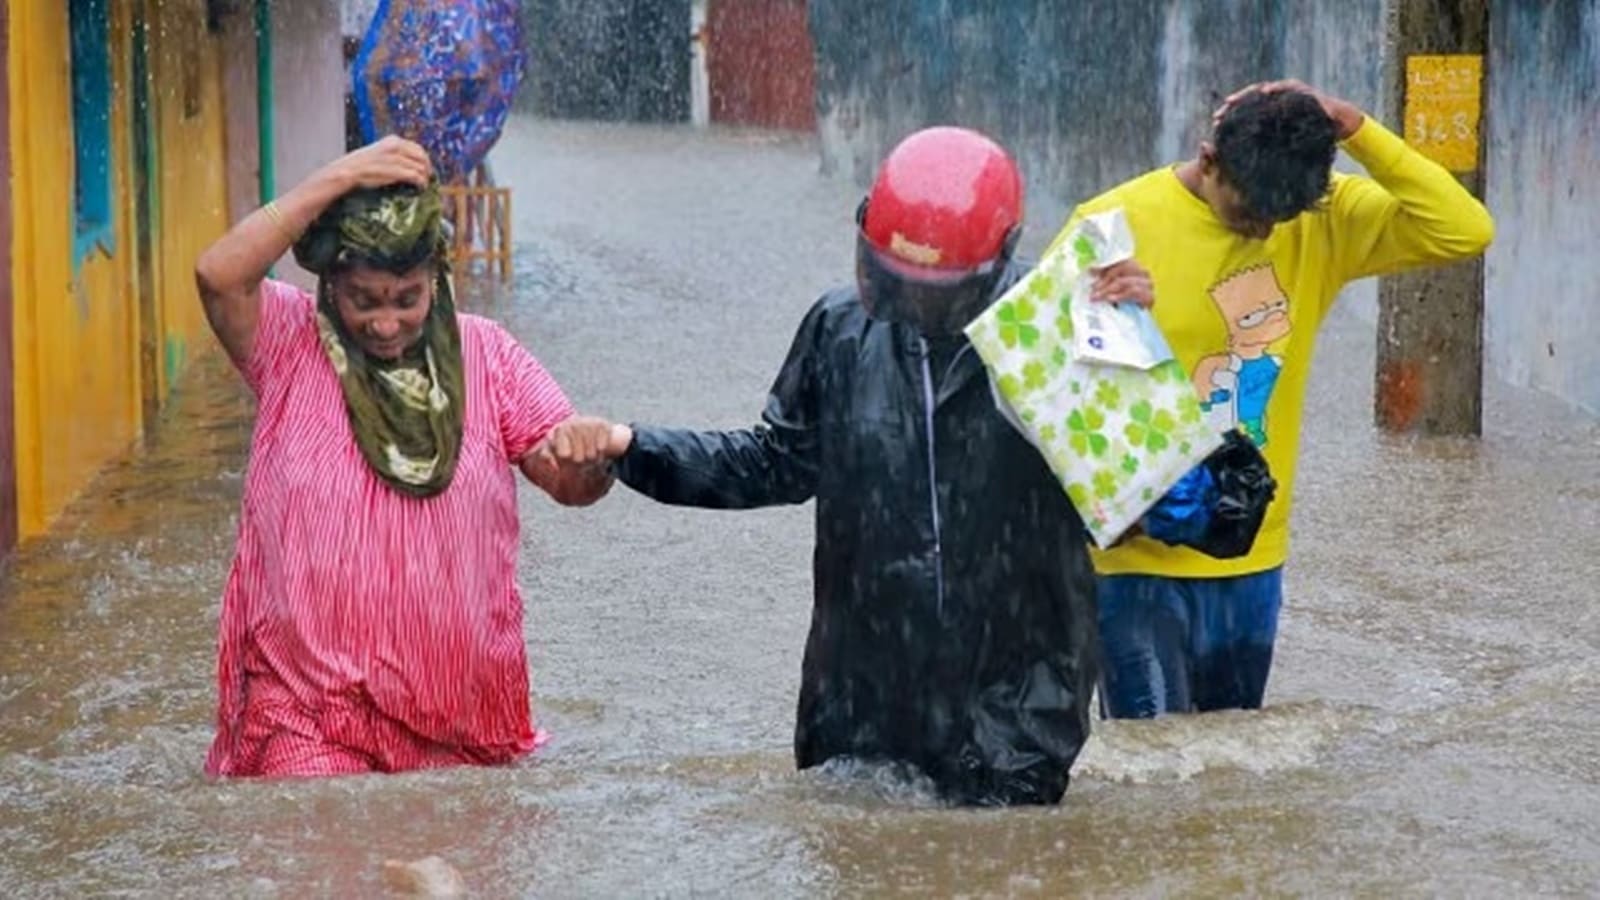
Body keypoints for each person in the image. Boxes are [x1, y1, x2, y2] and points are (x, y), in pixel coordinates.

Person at [597, 127, 1154, 806]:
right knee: (856, 846)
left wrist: (1139, 361)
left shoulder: (1066, 330)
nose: (916, 308)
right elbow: (773, 464)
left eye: (939, 292)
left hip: (1017, 707)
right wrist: (632, 448)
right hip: (861, 703)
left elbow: (1184, 506)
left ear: (1004, 254)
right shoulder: (838, 333)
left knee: (1007, 855)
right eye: (899, 284)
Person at [1047, 80, 1496, 719]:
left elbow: (1465, 229)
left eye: (1277, 220)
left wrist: (1357, 128)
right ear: (1209, 161)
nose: (1262, 232)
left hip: (1251, 551)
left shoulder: (1321, 220)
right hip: (1133, 558)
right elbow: (1034, 376)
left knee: (1233, 755)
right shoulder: (1111, 226)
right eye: (1247, 213)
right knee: (1154, 757)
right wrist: (1096, 312)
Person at [194, 136, 618, 777]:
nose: (386, 323)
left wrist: (589, 460)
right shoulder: (289, 342)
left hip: (463, 715)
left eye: (407, 298)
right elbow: (218, 274)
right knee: (315, 834)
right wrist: (341, 175)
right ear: (330, 284)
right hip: (308, 710)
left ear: (437, 283)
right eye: (363, 300)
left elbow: (566, 481)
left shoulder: (488, 356)